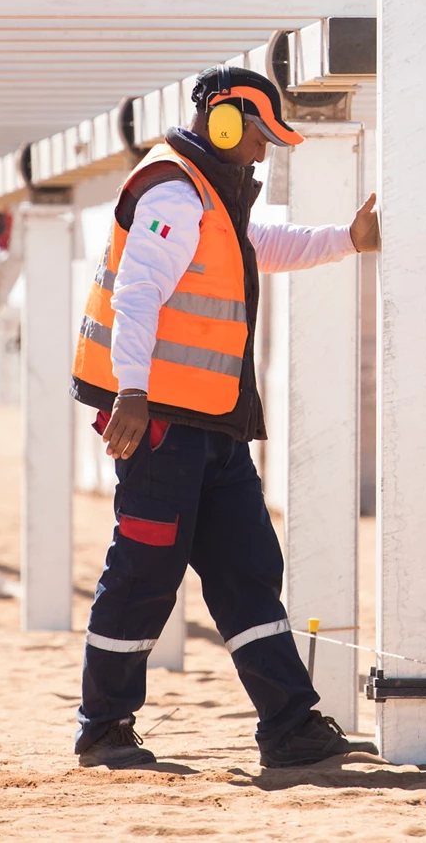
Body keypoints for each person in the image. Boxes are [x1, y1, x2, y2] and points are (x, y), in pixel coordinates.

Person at [69, 66, 381, 769]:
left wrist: (347, 240)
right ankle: (103, 726)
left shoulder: (212, 198)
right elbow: (138, 293)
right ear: (225, 122)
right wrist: (131, 392)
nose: (263, 152)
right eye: (259, 136)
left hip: (213, 426)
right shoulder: (175, 190)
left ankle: (291, 727)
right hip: (161, 428)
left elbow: (257, 251)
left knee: (247, 568)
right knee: (146, 571)